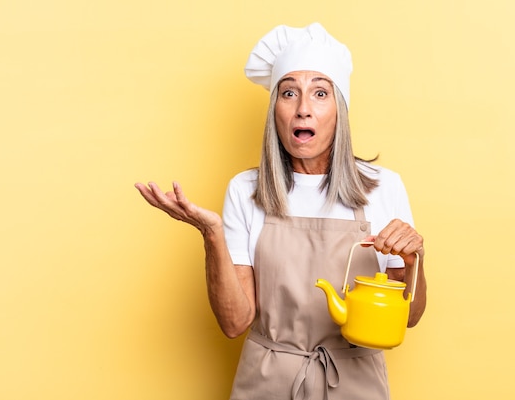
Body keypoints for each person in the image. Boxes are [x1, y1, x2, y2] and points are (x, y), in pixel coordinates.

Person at [135, 23, 427, 400]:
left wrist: (411, 259)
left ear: (340, 110)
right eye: (289, 93)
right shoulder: (246, 190)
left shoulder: (384, 186)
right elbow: (234, 322)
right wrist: (212, 236)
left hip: (356, 384)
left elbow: (409, 316)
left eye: (320, 93)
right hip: (267, 383)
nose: (303, 109)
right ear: (275, 109)